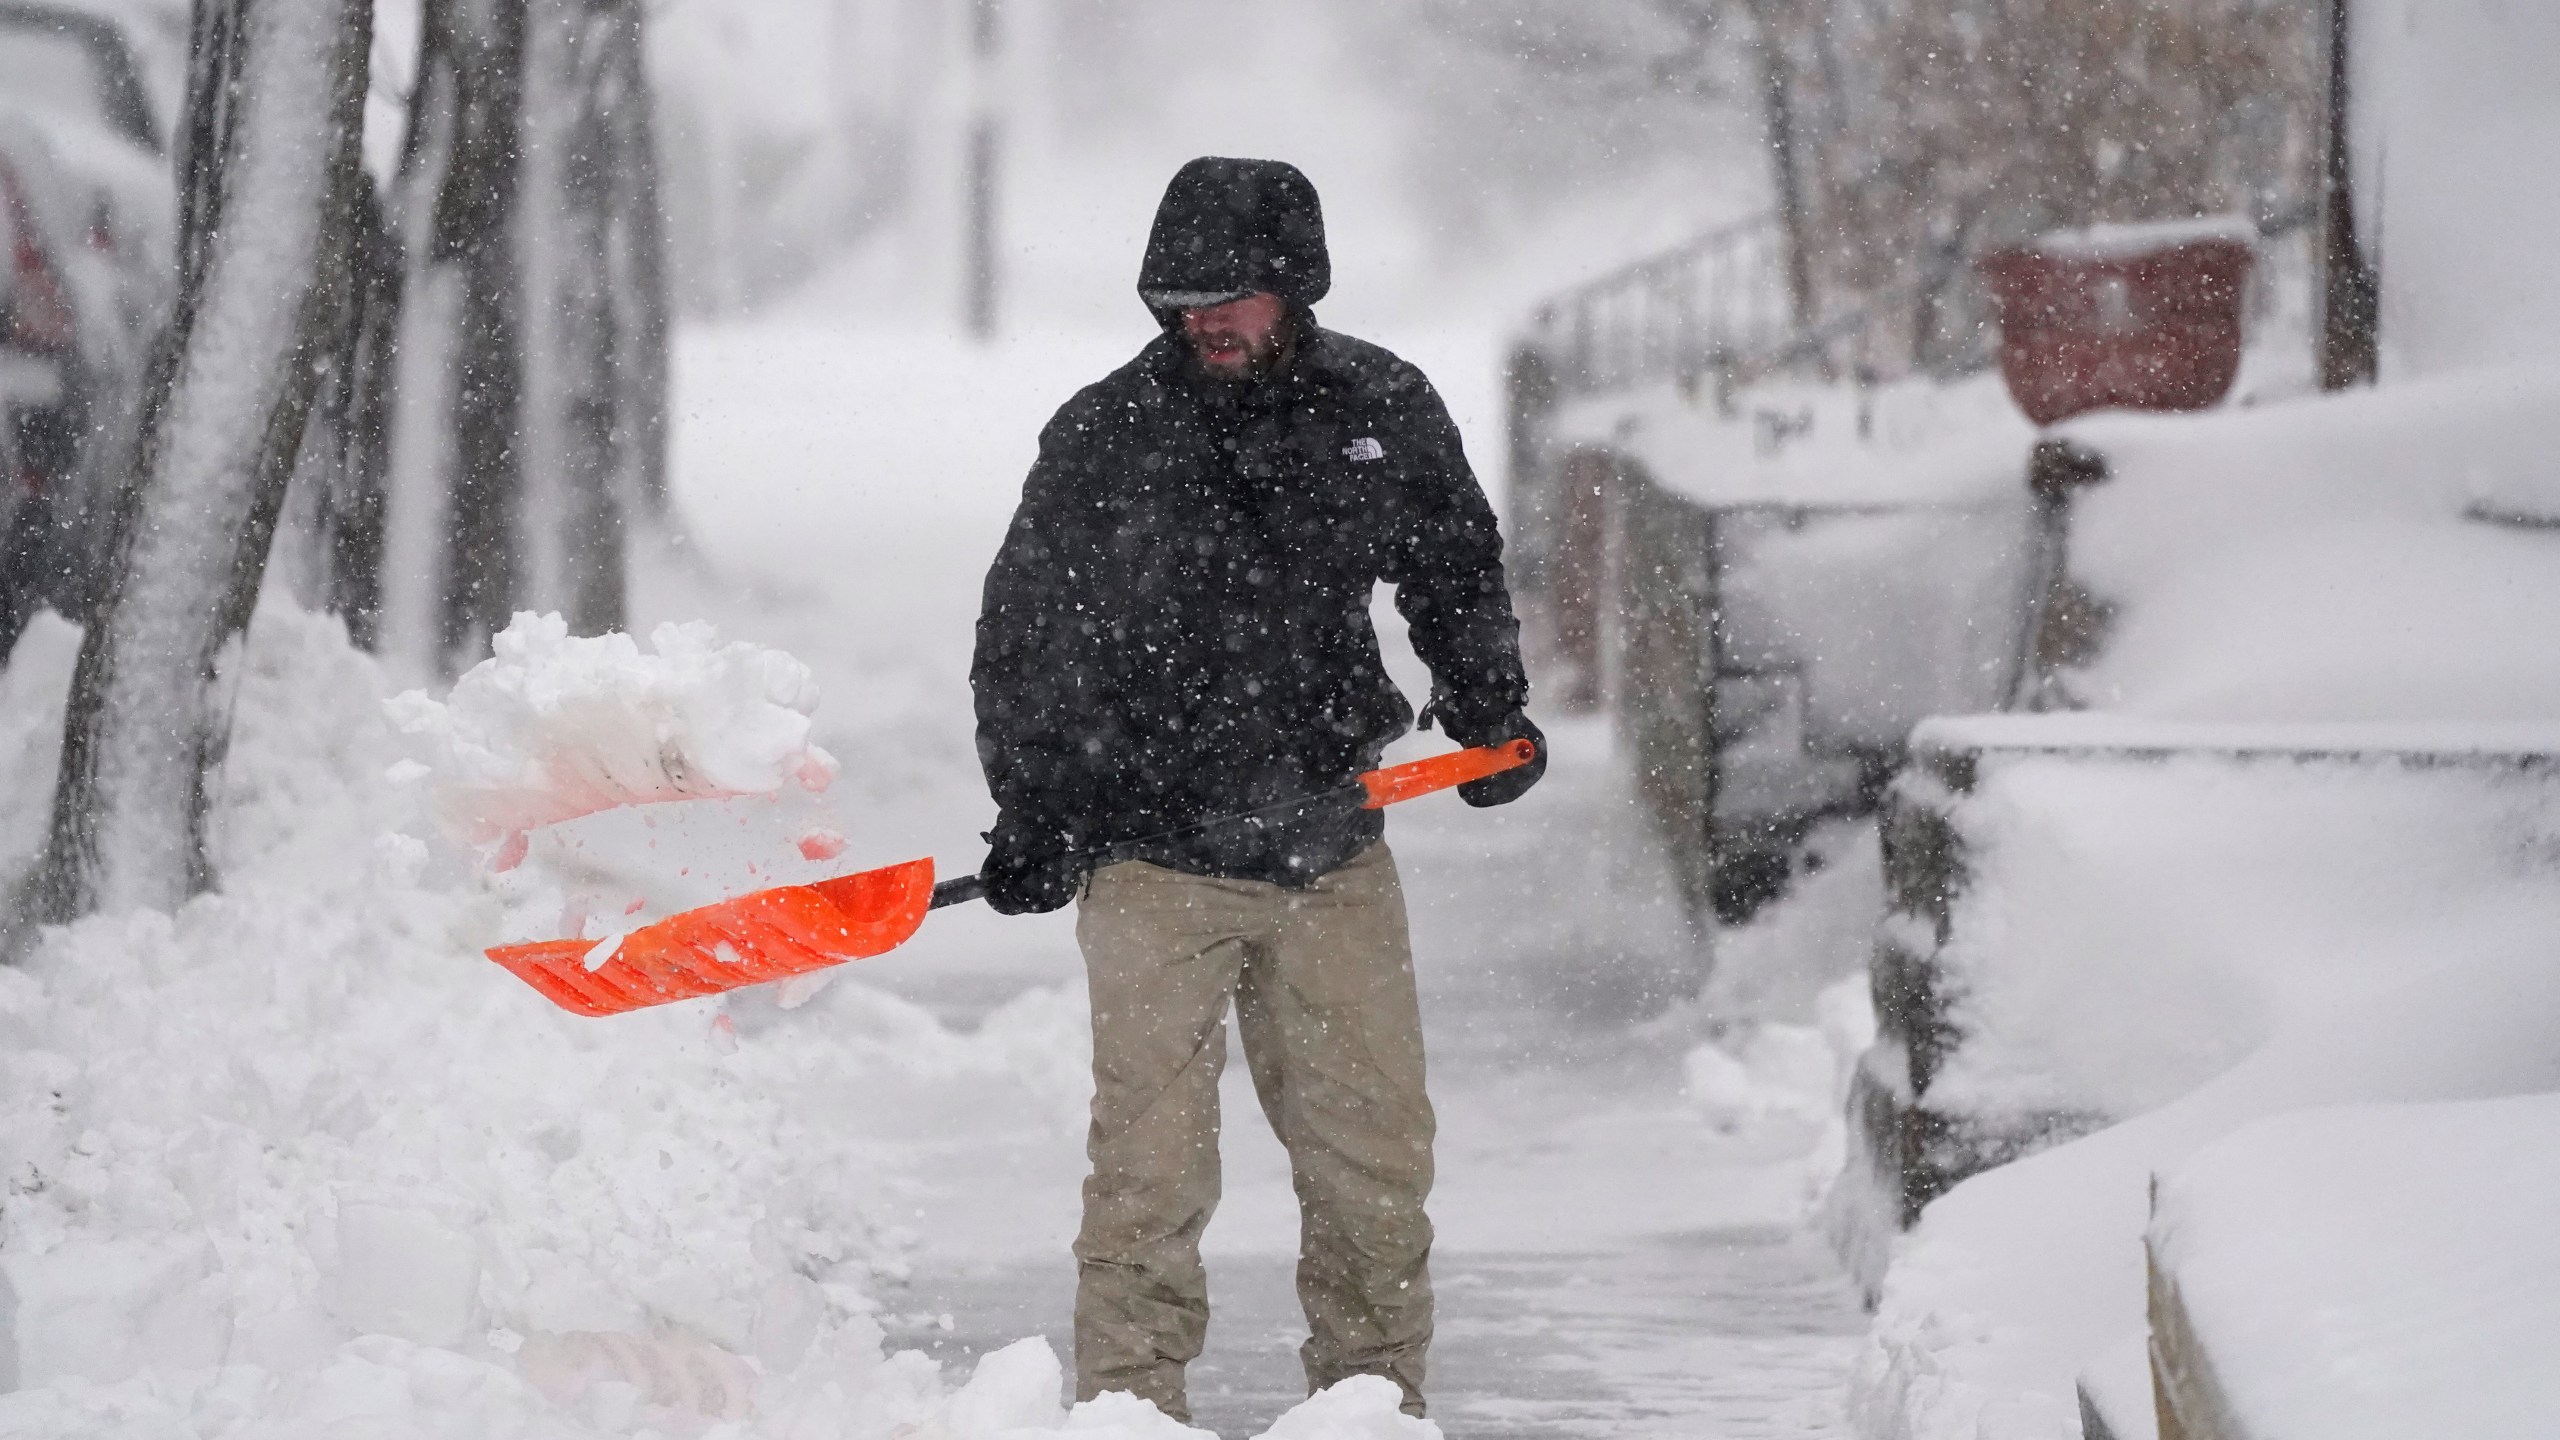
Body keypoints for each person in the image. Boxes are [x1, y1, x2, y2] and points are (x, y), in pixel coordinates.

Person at [969, 155, 1544, 1424]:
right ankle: (1129, 1413)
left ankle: (1373, 1407)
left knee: (1373, 1162)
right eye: (1180, 299)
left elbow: (1452, 563)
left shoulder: (1379, 404)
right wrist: (1033, 808)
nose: (1202, 323)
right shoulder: (1105, 431)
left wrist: (1487, 703)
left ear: (1295, 286)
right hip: (1149, 862)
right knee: (1147, 1175)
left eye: (1228, 297)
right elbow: (1026, 634)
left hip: (1329, 850)